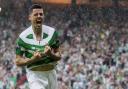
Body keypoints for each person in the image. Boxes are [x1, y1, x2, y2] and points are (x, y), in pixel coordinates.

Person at [15, 4, 61, 89]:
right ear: (30, 17)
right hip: (35, 75)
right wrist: (33, 59)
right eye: (36, 14)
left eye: (41, 14)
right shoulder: (23, 37)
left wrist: (50, 54)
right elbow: (18, 61)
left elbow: (59, 56)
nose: (39, 16)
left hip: (51, 73)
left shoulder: (52, 33)